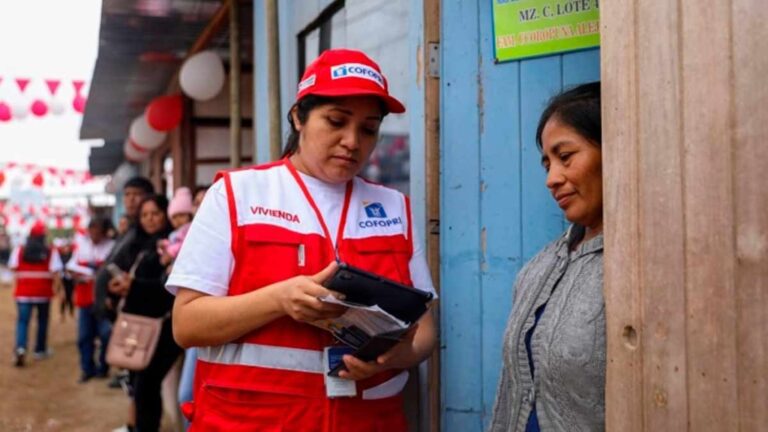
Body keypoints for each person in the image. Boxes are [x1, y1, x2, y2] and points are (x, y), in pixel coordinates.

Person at [167, 48, 437, 431]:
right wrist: (278, 299)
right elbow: (187, 323)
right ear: (298, 117)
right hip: (249, 422)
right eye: (336, 121)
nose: (351, 141)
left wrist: (391, 358)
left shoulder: (394, 208)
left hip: (368, 421)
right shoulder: (237, 195)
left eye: (368, 129)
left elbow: (424, 331)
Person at [489, 82, 604, 432]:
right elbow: (512, 389)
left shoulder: (642, 266)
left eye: (565, 157)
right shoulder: (539, 267)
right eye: (547, 164)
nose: (552, 179)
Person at [109, 195, 182, 432]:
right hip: (143, 326)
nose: (149, 219)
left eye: (155, 214)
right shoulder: (145, 245)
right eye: (144, 215)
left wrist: (135, 285)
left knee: (147, 385)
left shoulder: (173, 245)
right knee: (141, 385)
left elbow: (169, 288)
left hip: (166, 326)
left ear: (166, 214)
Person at [67, 217, 116, 382]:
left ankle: (103, 367)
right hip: (84, 298)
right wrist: (77, 275)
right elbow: (70, 268)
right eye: (91, 230)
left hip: (104, 299)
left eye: (97, 230)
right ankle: (87, 369)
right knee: (84, 337)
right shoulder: (81, 246)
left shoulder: (111, 247)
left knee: (105, 335)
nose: (94, 234)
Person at [9, 221, 63, 366]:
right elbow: (56, 271)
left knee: (22, 321)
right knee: (42, 321)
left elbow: (13, 268)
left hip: (23, 293)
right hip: (43, 293)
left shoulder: (20, 250)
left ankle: (21, 348)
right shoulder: (51, 251)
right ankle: (40, 349)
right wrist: (58, 289)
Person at [157, 187, 193, 266]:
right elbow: (173, 243)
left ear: (190, 215)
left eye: (181, 215)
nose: (178, 220)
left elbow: (183, 244)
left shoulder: (188, 229)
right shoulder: (176, 232)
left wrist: (170, 252)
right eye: (174, 217)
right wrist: (164, 245)